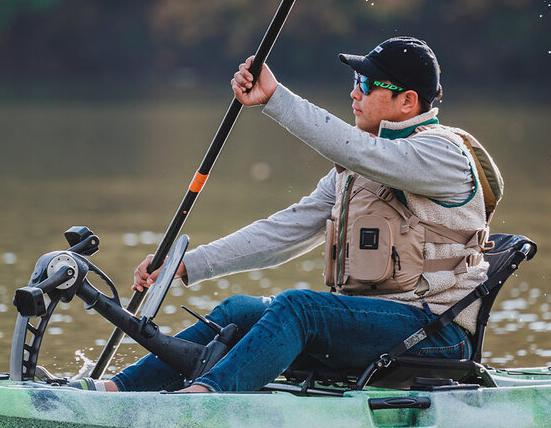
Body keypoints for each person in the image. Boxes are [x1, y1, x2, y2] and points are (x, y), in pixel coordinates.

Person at [83, 36, 492, 393]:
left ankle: (205, 399)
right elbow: (284, 232)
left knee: (299, 308)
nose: (354, 93)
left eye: (367, 84)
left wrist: (276, 98)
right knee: (238, 311)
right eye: (355, 82)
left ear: (408, 101)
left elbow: (356, 150)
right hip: (378, 324)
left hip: (435, 332)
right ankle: (116, 388)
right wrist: (186, 265)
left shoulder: (443, 154)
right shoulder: (357, 171)